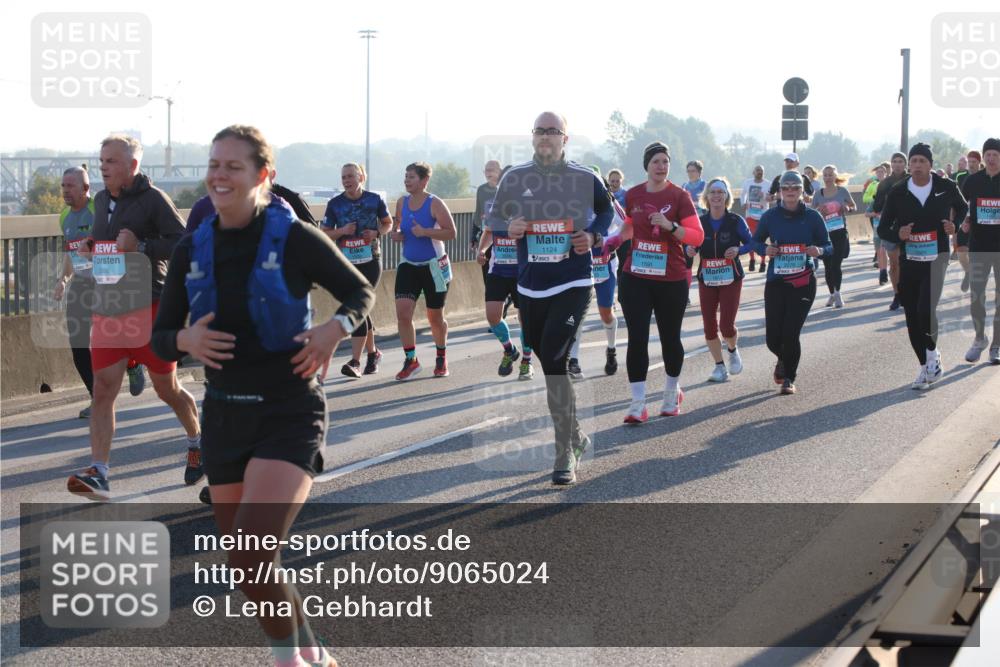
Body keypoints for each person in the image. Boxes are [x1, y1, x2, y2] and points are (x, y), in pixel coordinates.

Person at [152, 124, 374, 667]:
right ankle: (312, 650)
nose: (219, 175)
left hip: (289, 410)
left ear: (262, 175)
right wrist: (185, 339)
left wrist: (333, 330)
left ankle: (287, 658)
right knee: (248, 564)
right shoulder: (191, 246)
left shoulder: (295, 236)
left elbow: (359, 291)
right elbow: (161, 334)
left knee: (253, 552)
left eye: (233, 166)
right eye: (213, 165)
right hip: (224, 415)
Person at [66, 135, 202, 500]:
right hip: (109, 305)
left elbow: (182, 243)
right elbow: (107, 243)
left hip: (150, 305)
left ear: (133, 166)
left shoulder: (154, 199)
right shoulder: (99, 200)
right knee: (103, 390)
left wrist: (139, 247)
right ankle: (99, 471)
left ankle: (197, 440)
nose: (103, 167)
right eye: (101, 160)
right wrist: (91, 247)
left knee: (166, 389)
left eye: (111, 161)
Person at [485, 111, 612, 484]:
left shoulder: (585, 176)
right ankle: (575, 435)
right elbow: (495, 215)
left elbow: (607, 212)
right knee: (548, 363)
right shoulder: (515, 176)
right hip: (530, 284)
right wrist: (510, 225)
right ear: (533, 137)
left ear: (565, 139)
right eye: (540, 131)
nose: (546, 137)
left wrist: (592, 236)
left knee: (556, 358)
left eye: (553, 131)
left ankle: (563, 455)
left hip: (573, 281)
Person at [603, 141, 704, 423]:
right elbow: (630, 226)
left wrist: (671, 226)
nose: (661, 166)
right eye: (656, 162)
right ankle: (638, 403)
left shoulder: (680, 196)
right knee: (637, 338)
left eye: (665, 162)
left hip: (670, 277)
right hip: (635, 276)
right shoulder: (633, 194)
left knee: (670, 338)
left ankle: (671, 393)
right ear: (646, 165)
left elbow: (697, 236)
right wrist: (613, 241)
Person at [878, 143, 968, 390]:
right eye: (913, 161)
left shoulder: (945, 186)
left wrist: (955, 225)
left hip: (937, 255)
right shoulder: (898, 191)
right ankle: (925, 364)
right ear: (909, 165)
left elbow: (962, 208)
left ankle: (932, 355)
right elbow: (883, 227)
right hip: (910, 258)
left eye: (922, 161)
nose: (917, 165)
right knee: (910, 315)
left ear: (930, 164)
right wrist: (899, 232)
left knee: (924, 309)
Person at [752, 171, 831, 395]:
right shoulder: (770, 216)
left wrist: (819, 250)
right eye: (785, 188)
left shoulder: (813, 217)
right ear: (779, 191)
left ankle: (789, 378)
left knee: (790, 333)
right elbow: (755, 241)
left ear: (802, 191)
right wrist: (764, 249)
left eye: (795, 188)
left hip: (803, 281)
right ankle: (783, 358)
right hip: (776, 281)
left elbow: (828, 246)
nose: (790, 192)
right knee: (772, 338)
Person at [320, 163, 392, 378]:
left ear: (361, 177)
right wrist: (342, 231)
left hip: (371, 260)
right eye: (344, 177)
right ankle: (373, 353)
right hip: (347, 263)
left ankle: (355, 362)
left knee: (357, 306)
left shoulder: (374, 199)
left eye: (351, 176)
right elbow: (324, 233)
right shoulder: (335, 204)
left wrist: (377, 232)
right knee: (361, 308)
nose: (347, 180)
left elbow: (388, 223)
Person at [391, 162, 457, 380]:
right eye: (405, 176)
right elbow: (398, 226)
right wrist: (397, 234)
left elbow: (451, 233)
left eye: (411, 177)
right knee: (402, 314)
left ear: (424, 180)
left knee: (435, 317)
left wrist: (426, 232)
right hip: (408, 264)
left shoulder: (434, 203)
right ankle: (411, 360)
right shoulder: (402, 202)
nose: (407, 181)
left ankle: (441, 357)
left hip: (433, 266)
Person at [686, 177, 750, 383]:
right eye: (712, 192)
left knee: (727, 326)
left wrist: (739, 250)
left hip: (731, 278)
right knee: (709, 326)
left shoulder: (735, 221)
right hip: (707, 279)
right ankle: (719, 367)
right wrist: (689, 249)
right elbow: (690, 245)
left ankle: (732, 349)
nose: (716, 196)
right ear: (706, 197)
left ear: (726, 196)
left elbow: (753, 243)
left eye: (720, 192)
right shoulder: (700, 222)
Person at [567, 179, 626, 379]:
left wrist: (606, 240)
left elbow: (624, 225)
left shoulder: (610, 202)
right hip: (581, 264)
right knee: (578, 312)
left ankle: (611, 349)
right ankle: (573, 360)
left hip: (605, 264)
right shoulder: (573, 203)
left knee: (605, 312)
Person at [54, 166, 96, 418]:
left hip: (107, 281)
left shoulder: (98, 210)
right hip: (80, 283)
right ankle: (98, 399)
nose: (65, 191)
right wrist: (63, 279)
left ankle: (134, 363)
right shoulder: (64, 217)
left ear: (85, 189)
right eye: (63, 186)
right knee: (78, 345)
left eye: (70, 186)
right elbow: (70, 253)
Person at [477, 211, 534, 380]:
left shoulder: (530, 206)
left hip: (523, 272)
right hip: (498, 271)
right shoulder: (497, 207)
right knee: (493, 316)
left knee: (525, 319)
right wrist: (482, 250)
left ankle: (526, 361)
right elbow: (488, 232)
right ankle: (509, 350)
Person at [961, 138, 1000, 364]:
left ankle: (996, 346)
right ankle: (979, 338)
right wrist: (966, 222)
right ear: (983, 157)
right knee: (977, 298)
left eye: (995, 154)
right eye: (988, 154)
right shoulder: (972, 182)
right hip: (979, 246)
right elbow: (968, 207)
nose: (991, 158)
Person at [811, 165, 857, 308]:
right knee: (827, 266)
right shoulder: (818, 194)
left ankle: (837, 293)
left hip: (839, 232)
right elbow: (812, 213)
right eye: (825, 175)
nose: (828, 177)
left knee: (836, 264)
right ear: (822, 177)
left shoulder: (842, 191)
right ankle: (832, 294)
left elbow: (854, 206)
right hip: (824, 234)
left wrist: (847, 208)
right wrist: (820, 211)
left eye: (830, 175)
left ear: (835, 176)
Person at [873, 152, 909, 311]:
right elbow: (877, 207)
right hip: (891, 228)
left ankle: (909, 292)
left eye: (901, 161)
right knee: (894, 264)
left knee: (908, 264)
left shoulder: (912, 180)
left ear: (905, 164)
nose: (897, 164)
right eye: (894, 161)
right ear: (891, 164)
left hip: (909, 227)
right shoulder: (884, 183)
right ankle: (897, 294)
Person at [956, 150, 985, 292]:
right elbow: (957, 201)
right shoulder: (961, 177)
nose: (971, 165)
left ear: (979, 163)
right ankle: (968, 271)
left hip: (982, 220)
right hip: (965, 219)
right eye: (969, 162)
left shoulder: (986, 176)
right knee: (960, 250)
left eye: (974, 162)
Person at [471, 160, 502, 283]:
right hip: (485, 235)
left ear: (499, 171)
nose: (488, 173)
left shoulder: (505, 189)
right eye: (486, 171)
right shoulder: (481, 189)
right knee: (487, 271)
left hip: (503, 237)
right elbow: (478, 213)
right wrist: (473, 237)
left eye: (491, 170)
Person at [863, 163, 890, 284]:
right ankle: (882, 270)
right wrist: (875, 214)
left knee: (884, 250)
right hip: (876, 228)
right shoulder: (874, 196)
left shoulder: (891, 196)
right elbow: (866, 213)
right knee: (879, 251)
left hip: (888, 229)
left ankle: (884, 272)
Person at [740, 165, 769, 272]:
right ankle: (752, 260)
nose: (759, 172)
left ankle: (762, 262)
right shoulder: (748, 182)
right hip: (750, 215)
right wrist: (743, 203)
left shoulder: (767, 184)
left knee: (761, 240)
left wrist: (764, 195)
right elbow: (742, 194)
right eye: (757, 170)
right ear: (753, 172)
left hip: (763, 216)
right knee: (751, 239)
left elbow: (771, 198)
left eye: (761, 171)